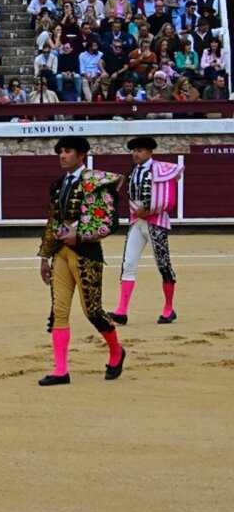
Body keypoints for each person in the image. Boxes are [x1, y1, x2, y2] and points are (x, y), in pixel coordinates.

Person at [36, 136, 126, 386]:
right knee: (59, 311)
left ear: (81, 155)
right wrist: (45, 256)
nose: (62, 156)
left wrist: (82, 234)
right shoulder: (58, 185)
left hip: (87, 254)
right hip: (61, 254)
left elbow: (109, 222)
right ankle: (61, 370)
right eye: (60, 152)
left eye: (67, 151)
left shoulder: (97, 183)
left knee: (93, 312)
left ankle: (117, 352)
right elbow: (53, 222)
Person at [113, 136, 184, 325]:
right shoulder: (133, 171)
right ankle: (122, 310)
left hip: (156, 221)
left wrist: (149, 208)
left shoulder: (161, 169)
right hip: (137, 222)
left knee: (163, 265)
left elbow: (168, 199)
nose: (136, 154)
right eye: (134, 150)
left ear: (150, 152)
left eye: (140, 150)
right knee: (128, 263)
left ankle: (169, 308)